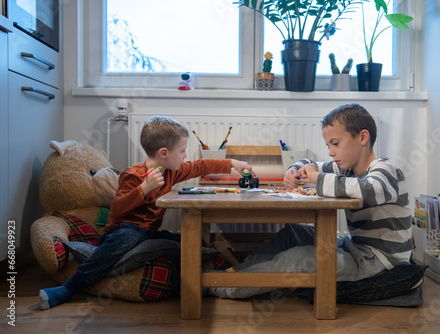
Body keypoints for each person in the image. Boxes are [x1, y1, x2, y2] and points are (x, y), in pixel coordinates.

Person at [39, 116, 255, 309]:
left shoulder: (172, 171)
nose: (185, 155)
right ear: (164, 153)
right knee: (124, 240)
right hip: (124, 229)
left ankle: (183, 284)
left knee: (189, 242)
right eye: (182, 151)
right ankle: (69, 288)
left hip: (148, 233)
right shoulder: (133, 175)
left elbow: (200, 166)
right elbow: (117, 207)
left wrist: (233, 163)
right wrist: (144, 188)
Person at [211, 103, 412, 299]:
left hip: (379, 261)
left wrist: (316, 177)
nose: (330, 152)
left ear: (362, 137)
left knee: (299, 259)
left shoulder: (385, 169)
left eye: (335, 143)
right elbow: (311, 163)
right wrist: (294, 170)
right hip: (356, 247)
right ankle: (236, 272)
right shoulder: (346, 169)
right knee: (292, 232)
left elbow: (369, 190)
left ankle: (221, 287)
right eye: (328, 146)